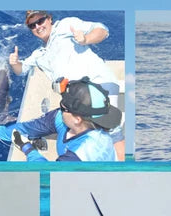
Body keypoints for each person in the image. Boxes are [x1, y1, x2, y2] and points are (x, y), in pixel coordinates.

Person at [9, 10, 125, 160]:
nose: (38, 26)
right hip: (76, 101)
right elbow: (21, 70)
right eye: (32, 25)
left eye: (41, 20)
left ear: (49, 19)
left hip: (98, 85)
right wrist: (15, 63)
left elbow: (103, 30)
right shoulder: (39, 54)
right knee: (85, 137)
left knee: (110, 133)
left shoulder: (65, 25)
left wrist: (85, 39)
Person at [0, 77, 121, 162]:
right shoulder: (65, 119)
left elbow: (47, 175)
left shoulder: (83, 154)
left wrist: (27, 148)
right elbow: (25, 129)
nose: (60, 108)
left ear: (77, 119)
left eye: (63, 107)